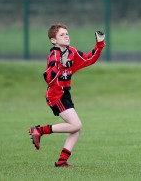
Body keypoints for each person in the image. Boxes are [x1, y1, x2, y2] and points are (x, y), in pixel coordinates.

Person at [28, 24, 105, 168]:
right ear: (53, 40)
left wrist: (99, 43)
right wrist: (60, 66)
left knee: (76, 128)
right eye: (62, 35)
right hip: (56, 95)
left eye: (67, 33)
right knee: (76, 125)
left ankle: (62, 161)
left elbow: (89, 59)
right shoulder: (54, 54)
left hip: (65, 94)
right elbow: (49, 78)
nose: (66, 36)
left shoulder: (72, 52)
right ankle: (39, 130)